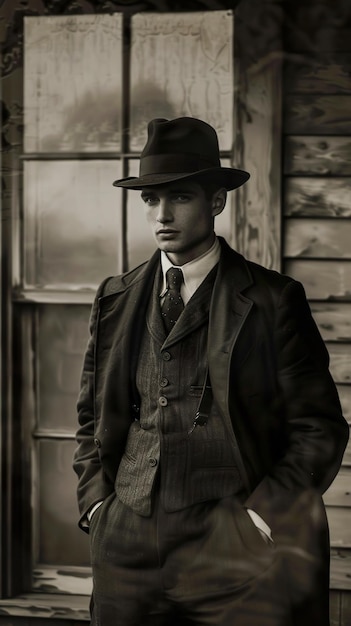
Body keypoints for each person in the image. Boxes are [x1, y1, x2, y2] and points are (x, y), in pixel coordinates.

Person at [73, 116, 349, 626]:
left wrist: (261, 519)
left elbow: (319, 428)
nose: (162, 214)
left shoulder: (271, 300)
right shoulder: (116, 297)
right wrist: (97, 505)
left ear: (216, 202)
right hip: (126, 543)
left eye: (178, 197)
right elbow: (92, 416)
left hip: (232, 545)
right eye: (151, 200)